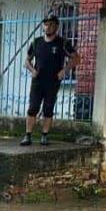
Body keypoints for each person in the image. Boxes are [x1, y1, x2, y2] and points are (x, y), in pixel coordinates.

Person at [21, 14, 78, 146]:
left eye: (51, 24)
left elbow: (76, 58)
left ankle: (44, 135)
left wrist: (65, 70)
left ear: (56, 26)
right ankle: (28, 135)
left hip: (52, 81)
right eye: (46, 24)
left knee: (48, 108)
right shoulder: (36, 42)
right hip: (38, 81)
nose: (48, 27)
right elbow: (27, 61)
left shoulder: (63, 43)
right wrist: (32, 70)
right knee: (33, 107)